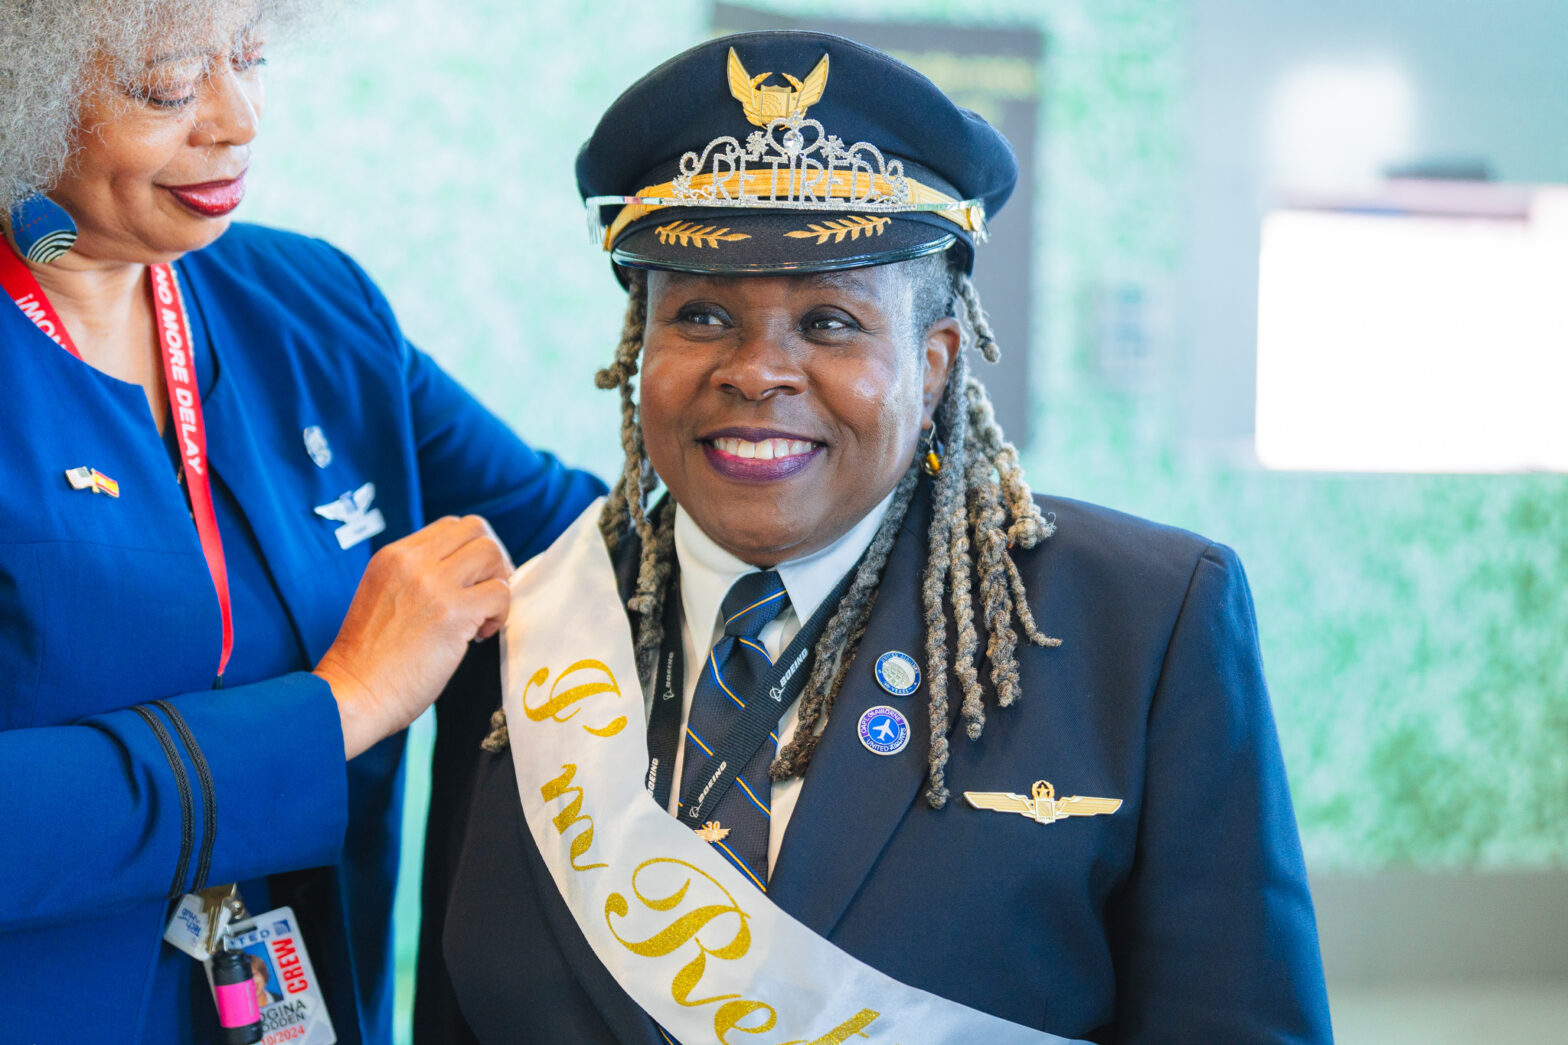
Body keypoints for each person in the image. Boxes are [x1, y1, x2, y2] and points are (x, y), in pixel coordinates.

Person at [419, 30, 1333, 1044]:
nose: (757, 371)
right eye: (705, 316)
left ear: (935, 362)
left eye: (827, 324)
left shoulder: (1145, 623)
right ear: (640, 349)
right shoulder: (527, 627)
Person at [0, 2, 602, 1042]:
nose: (236, 120)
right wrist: (343, 704)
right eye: (168, 83)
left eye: (253, 59)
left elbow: (577, 534)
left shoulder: (310, 304)